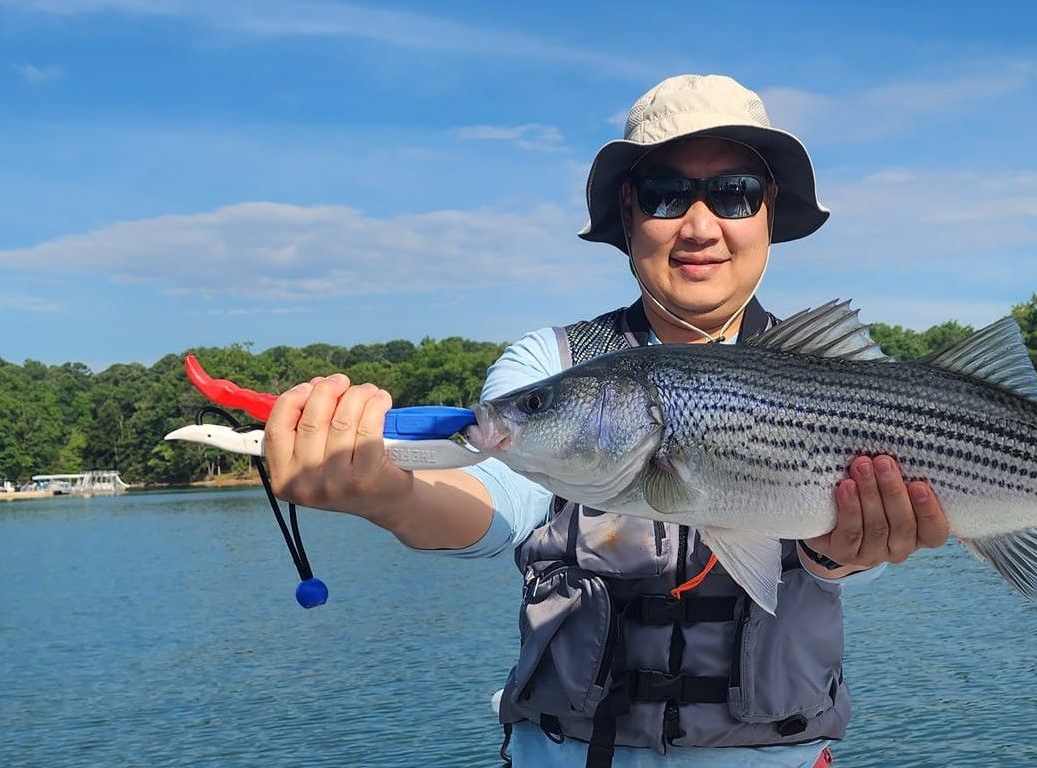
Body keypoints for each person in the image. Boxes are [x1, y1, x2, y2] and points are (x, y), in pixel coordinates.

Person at [264, 74, 950, 767]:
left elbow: (852, 568)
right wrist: (394, 495)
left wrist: (842, 557)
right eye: (665, 194)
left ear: (769, 211)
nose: (700, 225)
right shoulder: (551, 362)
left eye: (736, 192)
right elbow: (495, 498)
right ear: (628, 212)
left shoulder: (849, 379)